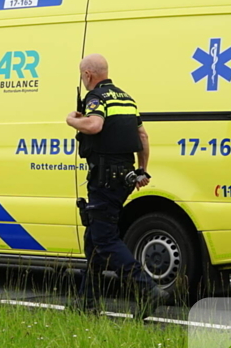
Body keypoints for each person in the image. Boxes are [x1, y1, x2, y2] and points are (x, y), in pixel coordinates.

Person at [65, 53, 169, 319]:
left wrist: (72, 120)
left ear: (88, 75)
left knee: (105, 238)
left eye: (82, 75)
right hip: (124, 177)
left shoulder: (96, 98)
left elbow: (95, 124)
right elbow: (142, 136)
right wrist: (141, 170)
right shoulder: (126, 99)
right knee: (94, 237)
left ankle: (147, 289)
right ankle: (86, 301)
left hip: (104, 178)